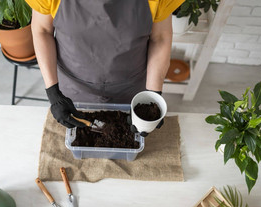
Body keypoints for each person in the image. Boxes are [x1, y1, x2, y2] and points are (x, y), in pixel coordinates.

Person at [26, 0, 184, 129]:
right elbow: (42, 30)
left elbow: (160, 38)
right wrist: (53, 92)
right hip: (72, 87)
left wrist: (152, 96)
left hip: (132, 86)